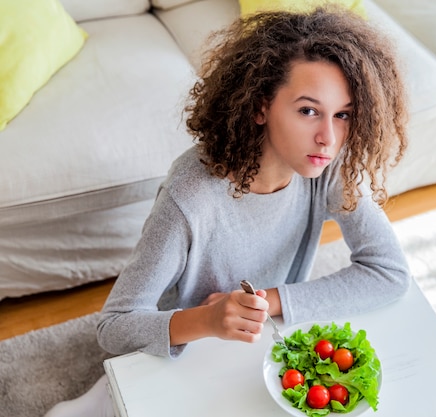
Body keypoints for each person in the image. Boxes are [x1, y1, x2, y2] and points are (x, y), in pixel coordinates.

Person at [45, 6, 410, 416]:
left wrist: (269, 301)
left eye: (342, 115)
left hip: (262, 339)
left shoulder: (327, 167)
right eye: (308, 111)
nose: (328, 137)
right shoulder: (192, 193)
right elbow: (114, 327)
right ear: (260, 107)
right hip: (181, 344)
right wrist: (208, 320)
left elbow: (389, 272)